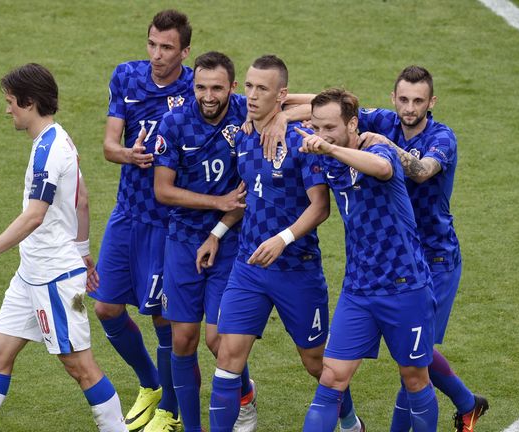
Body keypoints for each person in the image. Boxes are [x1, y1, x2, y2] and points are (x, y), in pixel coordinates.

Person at [0, 63, 126, 432]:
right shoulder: (57, 140)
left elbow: (34, 216)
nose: (7, 110)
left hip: (54, 278)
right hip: (31, 273)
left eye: (11, 103)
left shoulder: (50, 150)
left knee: (81, 368)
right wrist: (83, 250)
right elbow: (82, 199)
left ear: (29, 102)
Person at [207, 55, 338, 432]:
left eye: (262, 89)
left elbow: (321, 206)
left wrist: (282, 239)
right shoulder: (244, 133)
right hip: (249, 267)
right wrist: (217, 233)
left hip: (296, 269)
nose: (250, 95)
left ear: (281, 94)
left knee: (315, 362)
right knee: (227, 355)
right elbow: (251, 195)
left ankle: (348, 421)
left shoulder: (301, 140)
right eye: (248, 86)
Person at [299, 88, 439, 432]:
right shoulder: (325, 154)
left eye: (330, 128)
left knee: (415, 379)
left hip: (404, 287)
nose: (321, 137)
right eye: (316, 129)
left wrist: (332, 147)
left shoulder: (378, 148)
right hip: (358, 290)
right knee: (332, 377)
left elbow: (380, 167)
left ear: (352, 125)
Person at [358, 66, 488, 432]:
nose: (409, 107)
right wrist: (279, 108)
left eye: (418, 100)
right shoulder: (385, 120)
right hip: (401, 259)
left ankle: (465, 404)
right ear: (393, 97)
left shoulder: (442, 137)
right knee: (412, 355)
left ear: (431, 102)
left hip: (436, 258)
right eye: (403, 99)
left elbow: (422, 171)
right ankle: (466, 403)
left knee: (413, 357)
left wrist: (385, 145)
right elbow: (337, 108)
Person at [91, 9, 192, 431]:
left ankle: (169, 409)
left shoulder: (196, 87)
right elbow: (109, 146)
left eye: (167, 47)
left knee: (163, 317)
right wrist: (129, 154)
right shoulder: (127, 77)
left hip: (170, 221)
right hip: (128, 212)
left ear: (185, 51)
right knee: (106, 307)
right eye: (152, 43)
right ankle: (150, 384)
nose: (156, 54)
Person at [151, 51, 254, 432]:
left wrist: (284, 117)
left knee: (218, 339)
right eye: (201, 88)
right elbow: (163, 190)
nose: (208, 96)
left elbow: (290, 101)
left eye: (216, 88)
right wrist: (217, 201)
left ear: (232, 87)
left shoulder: (247, 112)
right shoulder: (175, 122)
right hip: (182, 240)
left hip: (230, 239)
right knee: (183, 339)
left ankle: (243, 393)